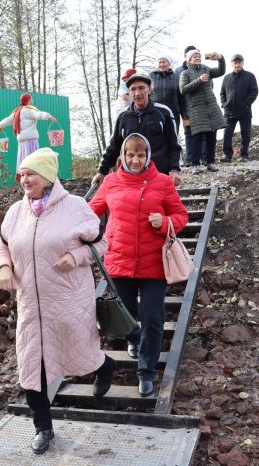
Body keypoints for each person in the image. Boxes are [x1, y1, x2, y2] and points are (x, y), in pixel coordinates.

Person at [0, 148, 116, 454]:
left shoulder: (75, 207)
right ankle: (43, 428)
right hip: (30, 305)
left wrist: (76, 256)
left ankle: (104, 367)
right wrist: (5, 268)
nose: (24, 179)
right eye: (22, 174)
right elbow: (3, 247)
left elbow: (102, 242)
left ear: (48, 176)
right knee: (30, 366)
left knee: (80, 352)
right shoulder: (15, 213)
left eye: (31, 173)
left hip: (69, 299)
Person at [88, 133, 188, 397]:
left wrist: (165, 222)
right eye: (130, 155)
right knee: (127, 315)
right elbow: (90, 212)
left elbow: (180, 215)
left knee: (153, 319)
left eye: (140, 155)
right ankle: (133, 338)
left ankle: (146, 372)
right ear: (122, 155)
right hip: (119, 260)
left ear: (148, 156)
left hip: (154, 262)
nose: (135, 160)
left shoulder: (163, 182)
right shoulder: (110, 181)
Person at [92, 73, 183, 187]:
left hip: (158, 174)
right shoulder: (123, 116)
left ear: (149, 90)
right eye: (133, 89)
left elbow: (174, 144)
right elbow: (113, 146)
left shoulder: (163, 112)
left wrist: (175, 170)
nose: (137, 93)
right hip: (131, 176)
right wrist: (102, 171)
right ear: (128, 92)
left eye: (141, 88)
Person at [179, 49, 227, 174]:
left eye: (199, 56)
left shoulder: (206, 69)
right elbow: (183, 89)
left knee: (212, 136)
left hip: (211, 108)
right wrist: (199, 80)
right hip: (196, 109)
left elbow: (221, 71)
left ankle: (211, 162)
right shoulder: (185, 73)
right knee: (197, 138)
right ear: (189, 60)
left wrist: (221, 59)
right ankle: (195, 164)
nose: (197, 58)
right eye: (194, 56)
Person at [0, 93, 57, 180]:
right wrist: (50, 117)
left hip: (22, 142)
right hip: (31, 140)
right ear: (28, 100)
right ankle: (33, 176)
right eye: (31, 99)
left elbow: (7, 120)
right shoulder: (28, 111)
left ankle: (23, 176)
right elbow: (39, 114)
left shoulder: (17, 112)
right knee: (33, 160)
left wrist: (0, 125)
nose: (32, 100)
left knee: (24, 159)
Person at [220, 54, 258, 163]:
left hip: (244, 111)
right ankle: (227, 155)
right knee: (227, 134)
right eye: (235, 63)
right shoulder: (226, 78)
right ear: (232, 64)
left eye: (239, 62)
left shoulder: (250, 76)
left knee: (246, 134)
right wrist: (224, 104)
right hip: (229, 111)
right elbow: (222, 93)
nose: (237, 65)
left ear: (243, 63)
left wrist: (246, 103)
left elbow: (254, 91)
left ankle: (244, 156)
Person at [176, 45, 199, 160]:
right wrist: (182, 110)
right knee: (189, 133)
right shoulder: (178, 71)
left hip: (200, 107)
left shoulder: (202, 68)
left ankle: (204, 158)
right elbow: (178, 91)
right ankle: (190, 159)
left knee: (203, 132)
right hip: (186, 108)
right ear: (185, 56)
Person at [149, 54, 182, 132]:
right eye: (159, 62)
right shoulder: (150, 76)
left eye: (164, 62)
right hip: (155, 111)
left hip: (173, 111)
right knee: (155, 135)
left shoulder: (177, 77)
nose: (161, 64)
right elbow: (147, 94)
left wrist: (184, 114)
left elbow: (181, 97)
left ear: (169, 63)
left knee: (172, 135)